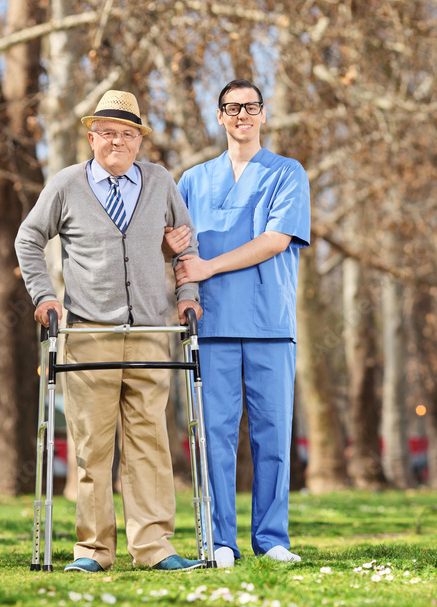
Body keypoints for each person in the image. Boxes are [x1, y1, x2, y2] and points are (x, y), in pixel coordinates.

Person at [15, 90, 204, 573]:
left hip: (150, 332)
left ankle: (155, 548)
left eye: (127, 133)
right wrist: (45, 296)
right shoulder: (66, 184)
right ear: (92, 136)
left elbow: (185, 247)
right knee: (92, 449)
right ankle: (93, 552)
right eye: (107, 132)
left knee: (150, 444)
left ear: (139, 140)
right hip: (87, 335)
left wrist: (188, 298)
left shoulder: (161, 181)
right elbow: (29, 238)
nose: (117, 141)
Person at [174, 79, 311, 566]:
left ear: (263, 114)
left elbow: (275, 240)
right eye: (232, 108)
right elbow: (179, 247)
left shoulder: (288, 173)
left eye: (250, 107)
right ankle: (220, 541)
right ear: (219, 117)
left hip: (270, 323)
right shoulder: (191, 180)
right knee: (215, 437)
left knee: (273, 435)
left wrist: (208, 266)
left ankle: (272, 539)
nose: (242, 115)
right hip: (212, 327)